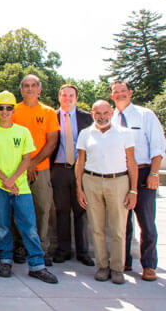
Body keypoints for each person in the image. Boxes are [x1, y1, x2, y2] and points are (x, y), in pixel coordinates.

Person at [0, 91, 58, 284]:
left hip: (20, 187)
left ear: (13, 110)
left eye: (9, 108)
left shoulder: (22, 132)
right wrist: (5, 179)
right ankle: (5, 261)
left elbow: (26, 159)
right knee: (2, 226)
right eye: (1, 107)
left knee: (29, 227)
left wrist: (13, 179)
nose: (5, 111)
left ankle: (37, 265)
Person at [76, 100, 138, 284]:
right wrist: (79, 188)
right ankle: (102, 266)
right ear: (92, 113)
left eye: (105, 113)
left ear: (111, 112)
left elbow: (131, 162)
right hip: (92, 180)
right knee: (96, 228)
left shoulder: (124, 133)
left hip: (118, 181)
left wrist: (133, 190)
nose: (101, 117)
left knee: (118, 228)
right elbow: (80, 162)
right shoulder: (85, 133)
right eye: (97, 113)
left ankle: (117, 268)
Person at [110, 80, 165, 281]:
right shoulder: (111, 118)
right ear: (111, 96)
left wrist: (154, 173)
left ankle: (149, 265)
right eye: (116, 92)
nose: (120, 94)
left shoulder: (145, 115)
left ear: (130, 93)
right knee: (122, 223)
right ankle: (123, 261)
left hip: (143, 174)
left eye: (123, 91)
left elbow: (158, 146)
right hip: (120, 174)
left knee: (147, 223)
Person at [12, 74, 59, 266]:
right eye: (25, 86)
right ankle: (21, 246)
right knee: (17, 209)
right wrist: (24, 165)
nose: (29, 89)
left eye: (33, 86)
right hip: (17, 169)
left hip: (41, 168)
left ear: (39, 89)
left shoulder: (48, 112)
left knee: (42, 208)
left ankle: (40, 247)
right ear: (21, 90)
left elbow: (52, 141)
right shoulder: (13, 110)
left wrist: (33, 163)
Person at [50, 85, 94, 266]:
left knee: (81, 210)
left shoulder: (87, 118)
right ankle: (63, 250)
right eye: (64, 95)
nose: (67, 98)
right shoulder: (52, 116)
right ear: (59, 96)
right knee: (61, 210)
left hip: (81, 169)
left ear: (76, 97)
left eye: (71, 95)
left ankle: (83, 252)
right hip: (59, 168)